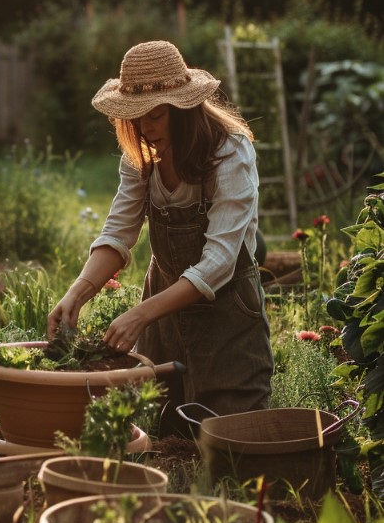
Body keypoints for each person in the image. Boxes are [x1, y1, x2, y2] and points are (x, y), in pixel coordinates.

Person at [47, 40, 274, 436]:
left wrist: (140, 313)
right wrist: (75, 295)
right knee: (162, 430)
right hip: (164, 314)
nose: (145, 130)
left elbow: (219, 261)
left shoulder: (229, 153)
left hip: (227, 314)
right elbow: (118, 235)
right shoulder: (142, 160)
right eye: (135, 120)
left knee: (228, 437)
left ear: (185, 110)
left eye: (155, 116)